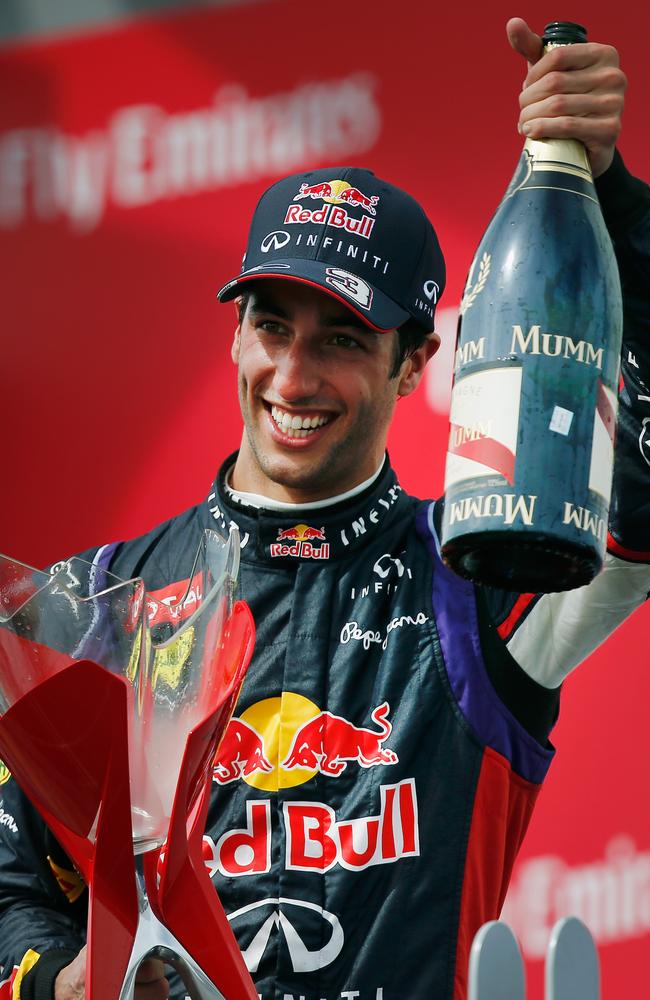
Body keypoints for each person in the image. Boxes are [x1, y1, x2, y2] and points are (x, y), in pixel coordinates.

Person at [1, 16, 648, 1000]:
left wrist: (614, 205)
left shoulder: (480, 573)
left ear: (415, 362)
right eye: (271, 326)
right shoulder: (93, 601)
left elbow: (638, 493)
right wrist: (61, 981)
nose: (292, 375)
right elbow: (10, 889)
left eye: (342, 338)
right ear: (234, 335)